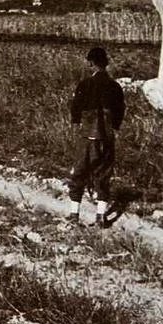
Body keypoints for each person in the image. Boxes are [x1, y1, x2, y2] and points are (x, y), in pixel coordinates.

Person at [66, 46, 125, 227]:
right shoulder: (115, 86)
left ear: (91, 64)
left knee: (79, 173)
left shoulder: (84, 85)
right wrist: (114, 126)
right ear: (105, 63)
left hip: (87, 135)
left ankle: (74, 215)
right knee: (103, 174)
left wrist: (76, 122)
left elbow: (75, 109)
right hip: (106, 136)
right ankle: (101, 216)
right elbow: (120, 110)